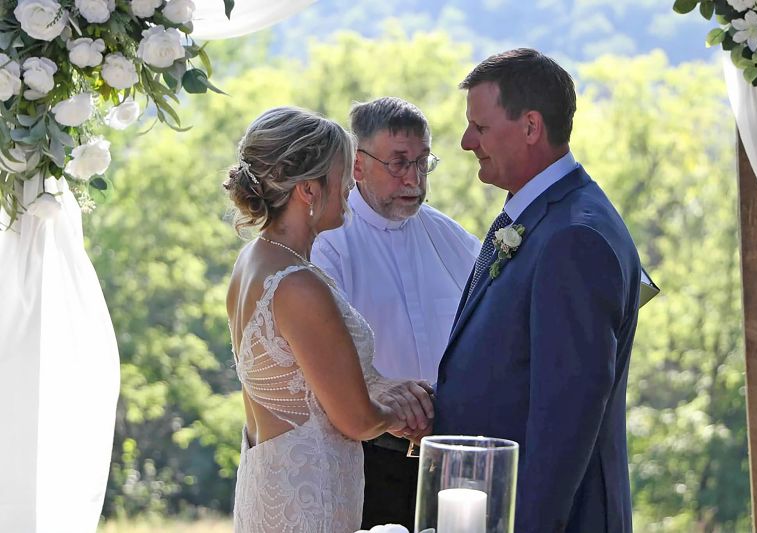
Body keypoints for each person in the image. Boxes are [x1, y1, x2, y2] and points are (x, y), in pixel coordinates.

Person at [434, 49, 641, 532]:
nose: (466, 142)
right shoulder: (542, 216)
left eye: (480, 128)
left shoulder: (574, 237)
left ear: (530, 127)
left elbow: (566, 419)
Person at [224, 106, 434, 532]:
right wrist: (405, 418)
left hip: (273, 482)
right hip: (308, 498)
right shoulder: (298, 284)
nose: (348, 189)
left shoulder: (254, 260)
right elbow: (355, 419)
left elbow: (300, 381)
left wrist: (387, 389)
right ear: (308, 190)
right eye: (341, 176)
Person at [311, 97, 480, 529]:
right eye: (400, 163)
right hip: (369, 461)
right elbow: (319, 357)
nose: (415, 180)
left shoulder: (452, 239)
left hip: (450, 461)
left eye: (423, 163)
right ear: (358, 165)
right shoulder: (329, 245)